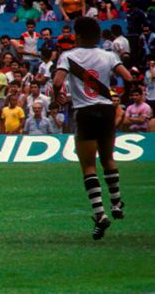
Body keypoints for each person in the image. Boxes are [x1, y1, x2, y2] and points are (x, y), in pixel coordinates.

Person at [51, 17, 134, 240]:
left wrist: (56, 98)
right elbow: (128, 77)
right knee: (108, 159)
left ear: (77, 35)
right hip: (106, 110)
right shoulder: (108, 55)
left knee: (88, 165)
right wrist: (122, 97)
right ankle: (116, 203)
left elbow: (58, 81)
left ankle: (100, 213)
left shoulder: (68, 56)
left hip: (84, 112)